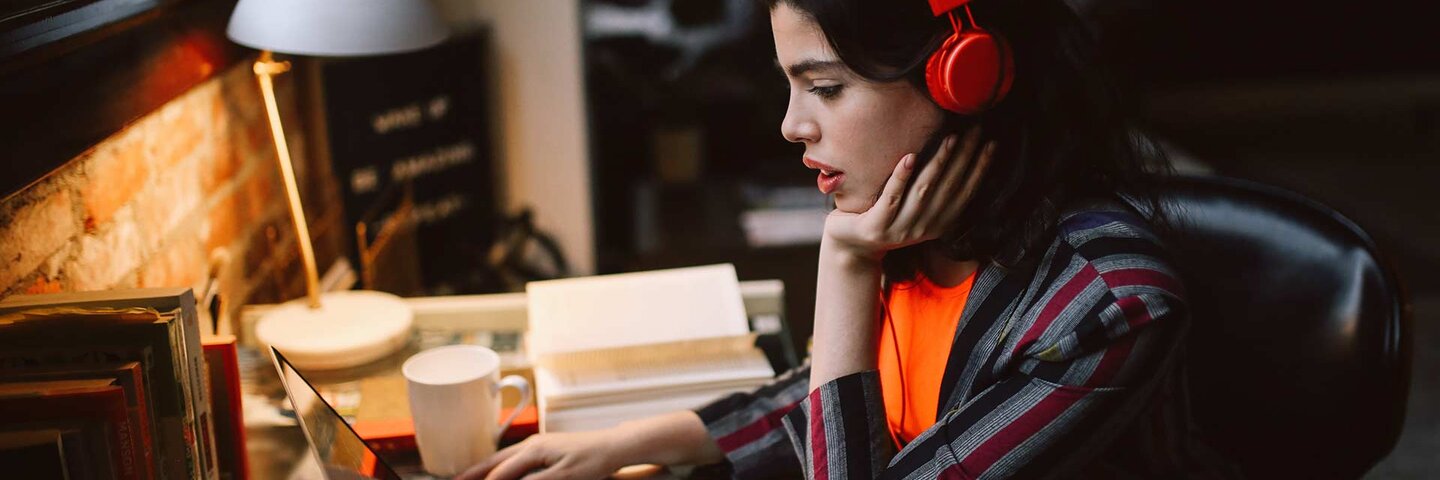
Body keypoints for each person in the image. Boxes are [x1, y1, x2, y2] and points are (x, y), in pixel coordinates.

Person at [460, 0, 1240, 478]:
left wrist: (844, 266)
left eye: (826, 88)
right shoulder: (923, 225)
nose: (793, 127)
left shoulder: (1106, 308)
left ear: (961, 79)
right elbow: (840, 400)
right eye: (792, 86)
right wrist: (622, 445)